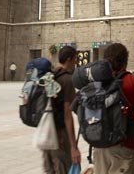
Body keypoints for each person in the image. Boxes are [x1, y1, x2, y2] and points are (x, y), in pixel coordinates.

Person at [93, 42, 134, 174]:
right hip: (124, 147)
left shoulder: (97, 81)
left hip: (99, 147)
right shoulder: (132, 80)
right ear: (125, 60)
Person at [44, 46, 80, 174]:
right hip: (60, 134)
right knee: (62, 167)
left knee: (49, 168)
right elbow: (67, 115)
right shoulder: (67, 80)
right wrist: (73, 146)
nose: (75, 63)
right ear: (69, 59)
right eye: (75, 59)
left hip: (47, 131)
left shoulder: (49, 77)